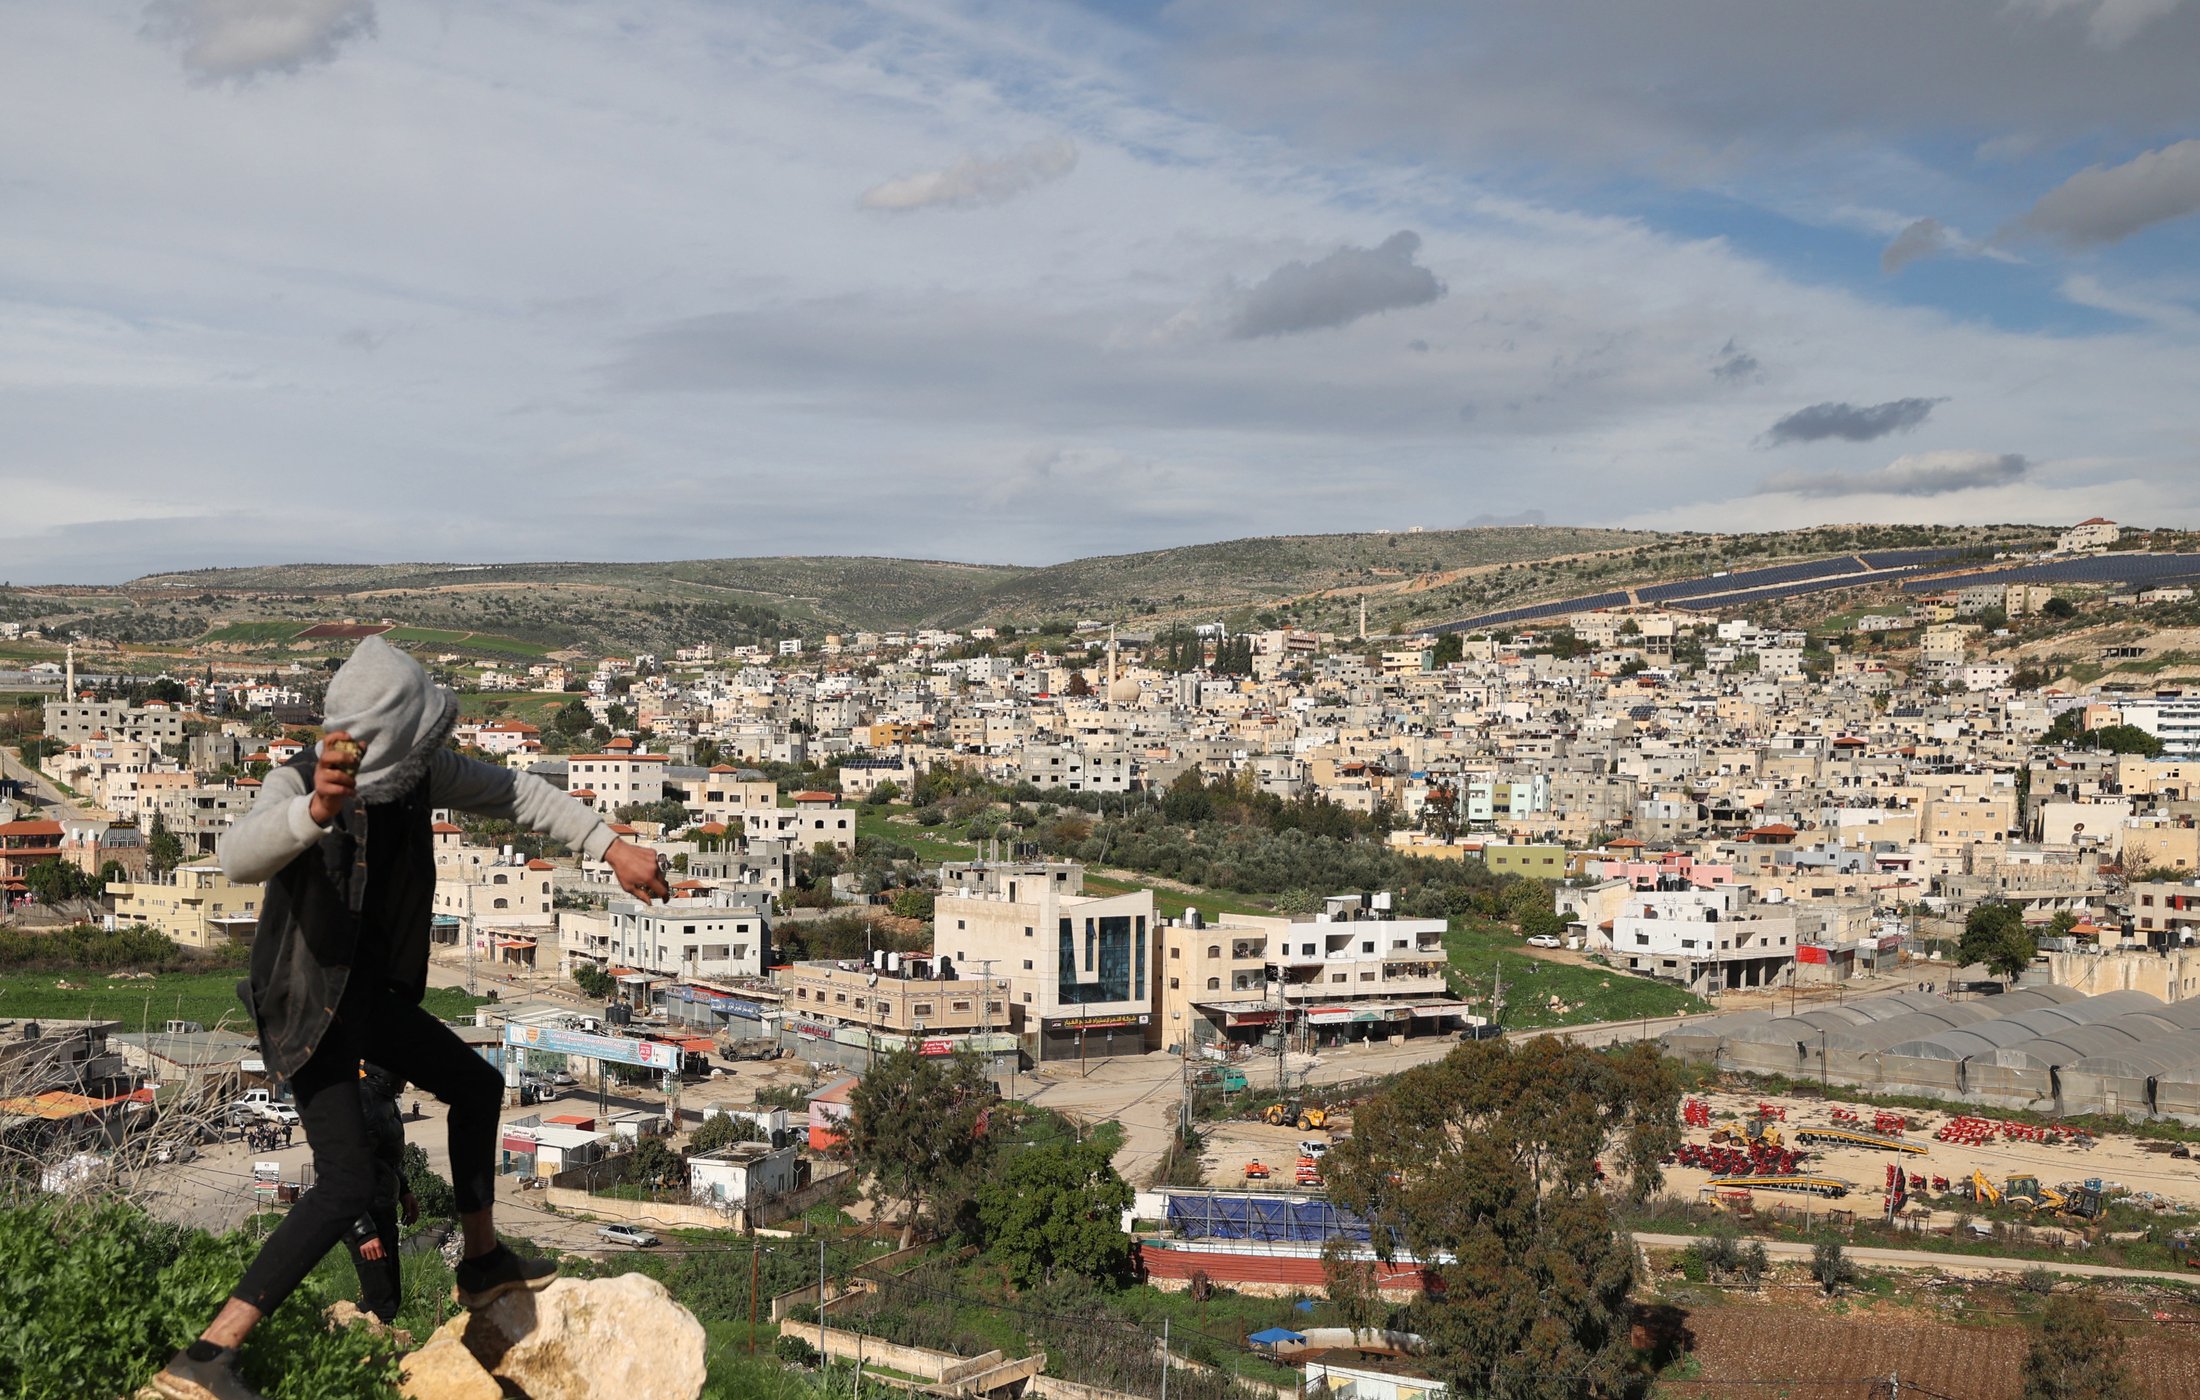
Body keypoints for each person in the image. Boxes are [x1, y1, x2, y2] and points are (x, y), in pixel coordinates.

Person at [152, 637, 667, 1400]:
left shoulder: (416, 780)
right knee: (345, 1183)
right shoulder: (300, 779)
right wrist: (316, 811)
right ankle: (207, 1356)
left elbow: (520, 793)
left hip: (369, 999)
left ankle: (485, 1264)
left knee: (477, 1086)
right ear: (399, 730)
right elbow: (237, 854)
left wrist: (610, 844)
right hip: (307, 1004)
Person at [345, 1062, 416, 1325]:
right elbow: (344, 1174)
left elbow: (384, 1159)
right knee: (381, 1305)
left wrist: (405, 1191)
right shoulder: (364, 1103)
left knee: (390, 1299)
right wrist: (363, 1231)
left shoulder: (384, 1100)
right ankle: (363, 1356)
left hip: (382, 1208)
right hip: (361, 1215)